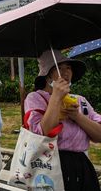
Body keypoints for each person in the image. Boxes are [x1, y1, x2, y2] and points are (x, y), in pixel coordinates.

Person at [24, 49, 101, 190]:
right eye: (59, 68)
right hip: (51, 165)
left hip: (81, 165)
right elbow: (42, 133)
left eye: (68, 68)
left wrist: (77, 116)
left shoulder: (80, 101)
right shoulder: (35, 98)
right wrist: (56, 98)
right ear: (47, 75)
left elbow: (99, 135)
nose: (65, 72)